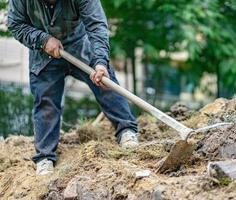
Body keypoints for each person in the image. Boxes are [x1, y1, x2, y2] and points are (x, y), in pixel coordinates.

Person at [7, 0, 139, 176]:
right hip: (43, 52)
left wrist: (100, 62)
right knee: (46, 102)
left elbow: (97, 25)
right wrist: (42, 39)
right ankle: (45, 156)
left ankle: (126, 130)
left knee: (105, 82)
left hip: (79, 44)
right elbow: (15, 24)